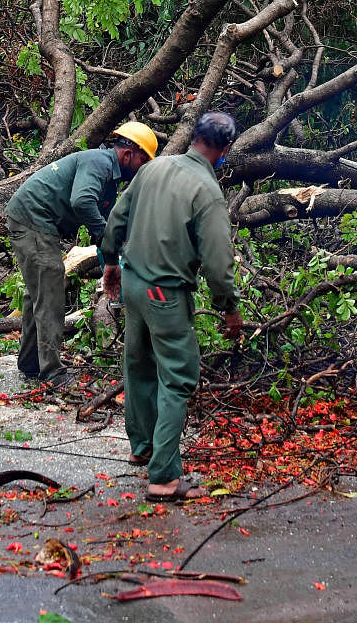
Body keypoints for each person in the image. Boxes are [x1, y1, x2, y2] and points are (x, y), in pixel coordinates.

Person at [100, 112, 243, 502]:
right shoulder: (207, 190)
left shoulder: (153, 168)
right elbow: (217, 260)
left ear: (195, 137)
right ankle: (163, 476)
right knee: (178, 375)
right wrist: (229, 307)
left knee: (139, 364)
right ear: (224, 148)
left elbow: (117, 217)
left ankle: (142, 446)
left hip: (132, 282)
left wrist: (110, 260)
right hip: (165, 292)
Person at [5, 121, 158, 383]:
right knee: (51, 290)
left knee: (38, 293)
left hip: (38, 222)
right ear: (128, 154)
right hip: (33, 219)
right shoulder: (99, 162)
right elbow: (82, 201)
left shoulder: (110, 180)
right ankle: (52, 372)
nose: (143, 169)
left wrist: (112, 261)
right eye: (143, 161)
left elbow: (107, 227)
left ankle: (31, 363)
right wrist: (104, 234)